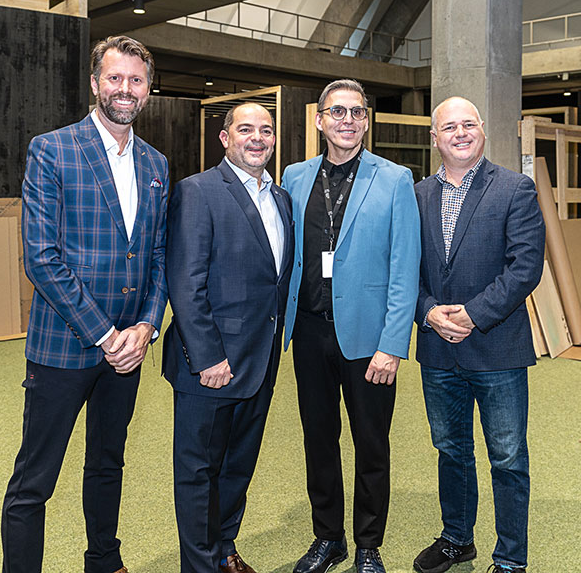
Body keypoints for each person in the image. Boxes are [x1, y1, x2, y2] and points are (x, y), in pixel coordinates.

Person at [1, 36, 168, 573]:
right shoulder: (52, 149)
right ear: (95, 83)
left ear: (148, 89)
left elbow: (159, 254)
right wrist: (106, 335)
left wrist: (146, 324)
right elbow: (42, 257)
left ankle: (104, 560)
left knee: (107, 463)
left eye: (136, 80)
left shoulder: (156, 163)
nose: (126, 89)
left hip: (129, 349)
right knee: (35, 479)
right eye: (115, 78)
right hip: (65, 347)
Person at [282, 79, 421, 573]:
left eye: (357, 112)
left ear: (366, 120)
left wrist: (393, 345)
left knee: (371, 442)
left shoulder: (396, 178)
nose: (347, 121)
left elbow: (405, 268)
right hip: (309, 331)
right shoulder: (295, 176)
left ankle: (367, 543)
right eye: (337, 112)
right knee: (318, 439)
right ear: (319, 120)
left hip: (369, 339)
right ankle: (328, 538)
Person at [413, 96, 545, 573]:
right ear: (435, 138)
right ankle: (456, 539)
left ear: (483, 130)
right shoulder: (417, 194)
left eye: (469, 124)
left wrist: (470, 315)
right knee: (451, 451)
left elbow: (525, 267)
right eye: (450, 127)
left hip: (498, 350)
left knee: (507, 458)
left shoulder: (515, 189)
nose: (460, 133)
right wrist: (428, 312)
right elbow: (405, 270)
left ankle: (510, 559)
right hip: (437, 351)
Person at [162, 102, 294, 573]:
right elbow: (186, 282)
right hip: (211, 365)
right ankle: (198, 565)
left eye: (266, 130)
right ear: (225, 137)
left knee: (238, 466)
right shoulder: (197, 192)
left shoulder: (280, 199)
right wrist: (208, 357)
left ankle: (223, 549)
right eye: (245, 129)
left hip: (261, 361)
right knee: (198, 472)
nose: (257, 138)